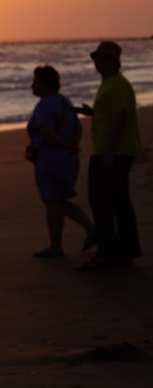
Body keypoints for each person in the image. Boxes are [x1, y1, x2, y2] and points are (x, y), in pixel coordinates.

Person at [77, 41, 142, 271]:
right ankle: (119, 253)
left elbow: (121, 118)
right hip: (107, 150)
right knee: (111, 202)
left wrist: (109, 153)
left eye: (102, 59)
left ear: (114, 61)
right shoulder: (109, 84)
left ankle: (112, 254)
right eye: (96, 58)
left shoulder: (118, 84)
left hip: (112, 152)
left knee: (106, 202)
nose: (98, 62)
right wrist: (92, 113)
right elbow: (111, 114)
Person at [25, 65, 96, 258]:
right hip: (68, 159)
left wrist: (64, 144)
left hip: (51, 158)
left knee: (52, 202)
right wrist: (73, 143)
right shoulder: (64, 101)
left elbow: (47, 132)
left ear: (46, 85)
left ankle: (55, 246)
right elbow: (77, 126)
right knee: (59, 201)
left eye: (36, 82)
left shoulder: (46, 104)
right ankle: (91, 230)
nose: (32, 86)